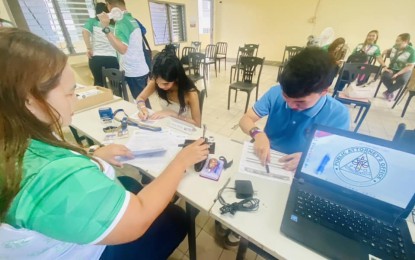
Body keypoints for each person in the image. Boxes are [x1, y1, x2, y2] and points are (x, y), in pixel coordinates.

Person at [0, 28, 209, 259]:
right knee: (176, 216)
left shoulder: (21, 141)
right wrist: (178, 161)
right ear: (29, 99)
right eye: (71, 94)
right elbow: (137, 219)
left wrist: (92, 153)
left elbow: (196, 123)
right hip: (91, 250)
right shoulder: (52, 175)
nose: (76, 103)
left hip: (178, 132)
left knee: (128, 180)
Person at [239, 47, 350, 172]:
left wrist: (311, 157)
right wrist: (257, 134)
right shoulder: (276, 92)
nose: (291, 106)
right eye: (286, 97)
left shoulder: (337, 114)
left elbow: (334, 151)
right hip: (267, 158)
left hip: (299, 167)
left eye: (300, 102)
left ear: (324, 91)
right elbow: (245, 119)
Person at [98, 0, 150, 108]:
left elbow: (122, 49)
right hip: (139, 69)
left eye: (107, 6)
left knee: (141, 103)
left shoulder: (122, 23)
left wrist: (105, 28)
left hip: (134, 71)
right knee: (143, 100)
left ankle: (150, 121)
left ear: (110, 5)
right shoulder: (131, 20)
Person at [136, 47, 201, 127]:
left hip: (184, 127)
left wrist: (172, 114)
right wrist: (143, 108)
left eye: (166, 83)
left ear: (176, 78)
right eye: (157, 82)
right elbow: (140, 98)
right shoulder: (156, 81)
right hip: (167, 125)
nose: (160, 86)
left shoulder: (190, 93)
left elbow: (197, 124)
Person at [82, 2, 119, 87]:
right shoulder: (113, 24)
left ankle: (103, 99)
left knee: (99, 84)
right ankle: (117, 99)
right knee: (115, 85)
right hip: (112, 57)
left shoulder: (92, 21)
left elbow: (84, 32)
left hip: (96, 58)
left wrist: (89, 48)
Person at [381, 33, 415, 101]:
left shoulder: (411, 51)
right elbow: (392, 50)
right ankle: (390, 91)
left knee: (402, 80)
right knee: (384, 77)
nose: (396, 42)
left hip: (405, 69)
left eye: (398, 41)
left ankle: (388, 92)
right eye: (396, 40)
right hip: (392, 67)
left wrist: (397, 74)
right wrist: (386, 50)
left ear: (405, 41)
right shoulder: (395, 46)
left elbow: (410, 66)